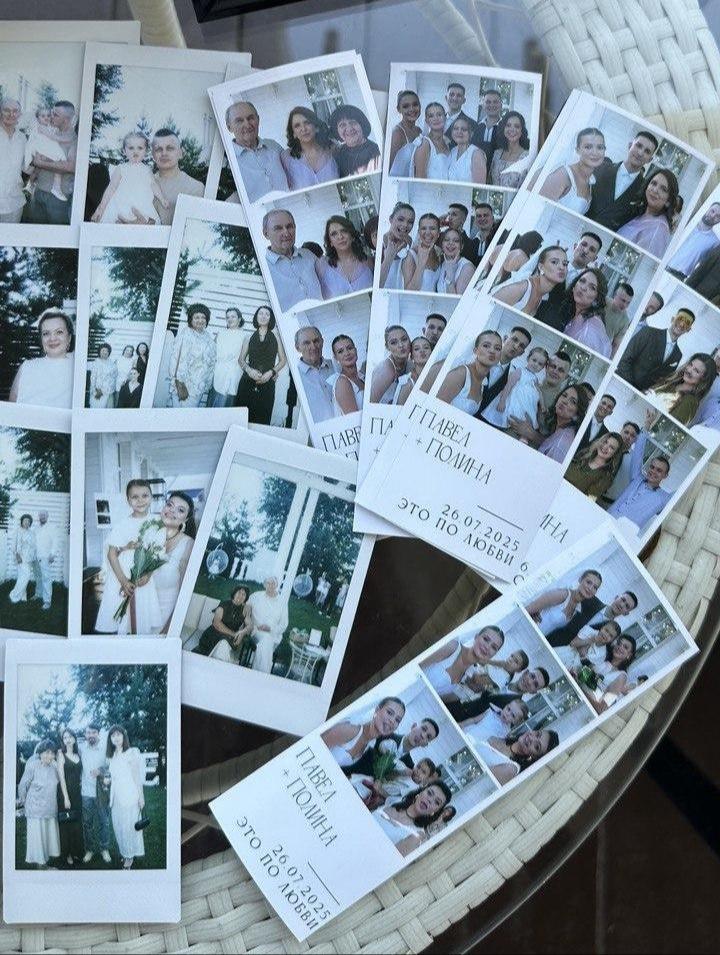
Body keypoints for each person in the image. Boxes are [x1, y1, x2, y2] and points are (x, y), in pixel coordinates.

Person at [93, 479, 161, 635]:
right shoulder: (122, 524)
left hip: (143, 575)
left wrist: (148, 574)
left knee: (140, 617)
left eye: (145, 495)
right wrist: (123, 581)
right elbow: (111, 554)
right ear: (128, 500)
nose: (140, 500)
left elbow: (157, 553)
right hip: (122, 574)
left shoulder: (157, 522)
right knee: (124, 617)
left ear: (151, 497)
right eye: (135, 497)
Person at [607, 412, 672, 533]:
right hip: (607, 518)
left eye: (659, 470)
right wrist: (647, 425)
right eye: (652, 467)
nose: (653, 471)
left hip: (625, 534)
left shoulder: (663, 498)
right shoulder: (637, 478)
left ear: (665, 475)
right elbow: (638, 453)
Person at [586, 130, 659, 231]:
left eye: (647, 151)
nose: (640, 153)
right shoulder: (600, 167)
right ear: (630, 145)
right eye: (638, 145)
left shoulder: (645, 191)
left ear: (649, 160)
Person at [91, 131, 169, 224]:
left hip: (142, 207)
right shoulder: (121, 168)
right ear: (124, 151)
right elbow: (111, 188)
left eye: (140, 148)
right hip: (121, 206)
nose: (135, 151)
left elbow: (153, 185)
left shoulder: (147, 170)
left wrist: (162, 199)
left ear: (145, 151)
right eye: (131, 148)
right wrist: (101, 207)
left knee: (143, 228)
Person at [8, 308, 75, 408]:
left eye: (59, 332)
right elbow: (11, 405)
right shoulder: (27, 366)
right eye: (46, 333)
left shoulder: (76, 368)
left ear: (69, 338)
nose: (52, 338)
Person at [616, 307, 694, 391]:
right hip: (621, 382)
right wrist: (631, 387)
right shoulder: (648, 332)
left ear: (688, 329)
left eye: (687, 323)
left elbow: (663, 381)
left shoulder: (678, 355)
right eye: (680, 319)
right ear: (672, 319)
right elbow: (625, 358)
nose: (682, 324)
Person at [225, 101, 287, 202]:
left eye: (250, 118)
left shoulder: (273, 146)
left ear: (258, 119)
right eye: (239, 121)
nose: (247, 124)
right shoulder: (228, 161)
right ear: (229, 127)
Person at [322, 696, 407, 769]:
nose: (392, 721)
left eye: (397, 720)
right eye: (389, 713)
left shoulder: (370, 744)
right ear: (377, 710)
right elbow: (316, 744)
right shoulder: (350, 730)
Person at [27, 100, 77, 225]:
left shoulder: (74, 140)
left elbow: (70, 167)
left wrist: (40, 163)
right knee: (36, 231)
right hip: (39, 191)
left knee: (56, 234)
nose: (51, 116)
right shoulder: (49, 132)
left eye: (55, 114)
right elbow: (35, 154)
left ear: (66, 119)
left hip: (57, 199)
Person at [153, 491, 196, 633]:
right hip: (140, 608)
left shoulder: (188, 545)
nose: (172, 510)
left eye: (180, 510)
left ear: (186, 519)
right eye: (169, 505)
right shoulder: (150, 534)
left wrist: (169, 627)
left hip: (163, 616)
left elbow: (184, 592)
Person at [235, 305, 286, 424]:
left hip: (267, 384)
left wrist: (271, 373)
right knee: (241, 420)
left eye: (267, 314)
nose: (263, 316)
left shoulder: (276, 337)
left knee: (262, 420)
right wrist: (249, 371)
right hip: (247, 382)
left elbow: (283, 360)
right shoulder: (248, 337)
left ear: (270, 318)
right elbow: (241, 360)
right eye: (260, 313)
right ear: (256, 317)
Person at [263, 208, 322, 310]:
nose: (286, 233)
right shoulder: (264, 269)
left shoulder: (309, 255)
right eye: (278, 228)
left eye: (289, 226)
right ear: (266, 234)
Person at [421, 626, 505, 696]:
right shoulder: (452, 647)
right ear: (476, 637)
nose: (487, 647)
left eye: (494, 647)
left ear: (494, 654)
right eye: (486, 639)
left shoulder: (467, 674)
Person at [539, 127, 606, 214]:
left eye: (600, 147)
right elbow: (537, 207)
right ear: (577, 150)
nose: (594, 152)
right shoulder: (563, 175)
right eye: (588, 147)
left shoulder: (591, 182)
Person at [373, 782, 452, 856]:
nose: (430, 800)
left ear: (435, 812)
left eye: (437, 802)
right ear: (420, 792)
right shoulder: (395, 802)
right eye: (429, 793)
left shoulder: (416, 835)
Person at [16, 739, 61, 867]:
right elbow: (23, 785)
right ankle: (41, 866)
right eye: (46, 752)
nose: (49, 756)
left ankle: (45, 863)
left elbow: (61, 781)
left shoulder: (54, 766)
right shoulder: (33, 765)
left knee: (47, 838)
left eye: (52, 753)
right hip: (35, 809)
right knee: (38, 840)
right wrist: (23, 801)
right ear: (40, 753)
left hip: (50, 808)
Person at [437, 330, 503, 415]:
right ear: (475, 350)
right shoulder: (460, 374)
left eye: (497, 348)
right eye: (486, 346)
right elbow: (435, 408)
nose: (492, 351)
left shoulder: (484, 383)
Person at [482, 346, 548, 431]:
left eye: (540, 364)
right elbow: (508, 386)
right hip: (512, 401)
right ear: (528, 358)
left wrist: (542, 405)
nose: (536, 364)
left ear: (542, 368)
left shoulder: (535, 379)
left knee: (523, 419)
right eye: (534, 360)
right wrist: (502, 401)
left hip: (524, 404)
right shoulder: (519, 371)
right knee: (503, 419)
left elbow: (539, 392)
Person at [106, 726, 145, 868]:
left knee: (129, 827)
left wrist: (141, 797)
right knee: (119, 827)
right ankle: (125, 852)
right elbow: (114, 775)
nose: (116, 738)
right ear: (110, 739)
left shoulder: (131, 753)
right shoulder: (111, 756)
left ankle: (129, 857)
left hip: (130, 795)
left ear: (123, 736)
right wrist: (109, 780)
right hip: (116, 797)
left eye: (118, 735)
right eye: (113, 736)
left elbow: (137, 776)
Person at [617, 168, 679, 257]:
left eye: (663, 189)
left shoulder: (659, 229)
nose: (655, 190)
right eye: (653, 183)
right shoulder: (640, 214)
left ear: (668, 201)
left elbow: (642, 263)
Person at [526, 568, 603, 637]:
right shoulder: (563, 595)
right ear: (580, 580)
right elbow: (527, 609)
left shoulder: (577, 609)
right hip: (526, 631)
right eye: (588, 582)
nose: (590, 588)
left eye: (595, 587)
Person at [493, 245, 569, 315]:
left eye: (565, 264)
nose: (562, 267)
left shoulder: (544, 296)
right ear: (541, 267)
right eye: (554, 262)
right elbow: (489, 305)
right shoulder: (522, 288)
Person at [476, 325, 532, 417]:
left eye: (521, 346)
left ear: (521, 353)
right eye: (514, 340)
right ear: (505, 339)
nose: (516, 346)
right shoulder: (480, 358)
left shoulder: (514, 377)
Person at [168, 303, 216, 407]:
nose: (200, 320)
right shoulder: (185, 335)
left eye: (203, 317)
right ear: (191, 319)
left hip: (198, 387)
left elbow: (211, 363)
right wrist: (179, 382)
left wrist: (207, 383)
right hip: (183, 385)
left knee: (190, 415)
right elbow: (176, 360)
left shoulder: (208, 339)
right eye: (197, 317)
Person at [573, 635, 637, 712]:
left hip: (584, 709)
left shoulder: (621, 676)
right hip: (573, 696)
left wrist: (580, 689)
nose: (620, 647)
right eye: (619, 643)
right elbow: (580, 676)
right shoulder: (601, 660)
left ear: (629, 655)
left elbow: (602, 708)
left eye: (625, 647)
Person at [649, 353, 717, 425]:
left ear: (704, 379)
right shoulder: (673, 381)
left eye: (696, 371)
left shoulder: (690, 401)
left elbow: (668, 426)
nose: (689, 370)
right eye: (690, 365)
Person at [316, 215, 373, 297]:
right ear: (330, 242)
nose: (340, 237)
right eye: (334, 234)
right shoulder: (321, 266)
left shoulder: (369, 262)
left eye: (344, 231)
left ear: (352, 235)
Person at [281, 106, 338, 188]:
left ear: (316, 126)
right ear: (293, 133)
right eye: (297, 126)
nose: (303, 129)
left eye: (307, 123)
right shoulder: (286, 158)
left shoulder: (333, 149)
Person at [78, 724, 111, 864]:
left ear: (98, 733)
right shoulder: (81, 748)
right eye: (88, 732)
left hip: (101, 792)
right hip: (86, 792)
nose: (91, 735)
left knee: (104, 822)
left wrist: (101, 770)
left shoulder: (105, 748)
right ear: (85, 735)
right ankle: (89, 850)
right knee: (87, 823)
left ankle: (104, 849)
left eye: (93, 732)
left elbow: (111, 766)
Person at [477, 729, 559, 785]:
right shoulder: (502, 737)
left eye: (537, 746)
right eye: (537, 734)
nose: (532, 739)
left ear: (534, 757)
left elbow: (479, 784)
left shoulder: (510, 768)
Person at [561, 269, 612, 357]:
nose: (583, 288)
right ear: (574, 286)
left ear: (597, 299)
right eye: (582, 281)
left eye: (592, 288)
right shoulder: (574, 313)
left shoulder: (590, 328)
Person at [23, 106, 68, 205]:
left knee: (37, 170)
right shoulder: (40, 127)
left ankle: (29, 185)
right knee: (59, 161)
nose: (46, 118)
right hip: (41, 148)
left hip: (43, 148)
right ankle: (56, 187)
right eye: (43, 116)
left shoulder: (48, 127)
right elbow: (51, 137)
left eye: (48, 116)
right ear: (38, 118)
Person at [195, 585, 252, 659]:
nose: (240, 596)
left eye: (243, 594)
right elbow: (216, 624)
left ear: (246, 598)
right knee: (222, 647)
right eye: (239, 592)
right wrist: (234, 634)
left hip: (228, 638)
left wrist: (242, 632)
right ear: (234, 593)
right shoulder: (224, 604)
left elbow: (250, 625)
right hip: (214, 634)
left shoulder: (246, 609)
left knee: (224, 646)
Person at [247, 576, 289, 674]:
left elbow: (284, 624)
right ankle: (263, 674)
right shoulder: (256, 596)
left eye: (273, 583)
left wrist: (270, 629)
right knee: (266, 642)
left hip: (273, 634)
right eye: (268, 583)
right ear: (264, 585)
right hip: (255, 631)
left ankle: (256, 673)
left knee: (266, 641)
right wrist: (250, 624)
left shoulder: (282, 602)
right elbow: (246, 610)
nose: (270, 586)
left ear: (277, 585)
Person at [668, 201, 720, 278]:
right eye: (712, 211)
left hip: (679, 276)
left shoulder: (715, 242)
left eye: (718, 216)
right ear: (708, 208)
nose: (713, 216)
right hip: (662, 263)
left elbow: (704, 265)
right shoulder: (687, 223)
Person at [293, 325, 334, 421]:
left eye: (316, 341)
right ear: (298, 348)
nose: (313, 347)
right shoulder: (294, 377)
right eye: (306, 343)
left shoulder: (336, 367)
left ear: (322, 342)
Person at [566, 432, 625, 498]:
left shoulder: (606, 478)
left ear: (615, 454)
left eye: (611, 447)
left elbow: (588, 499)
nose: (605, 447)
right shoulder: (583, 454)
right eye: (605, 442)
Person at [56, 728, 84, 866]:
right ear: (63, 740)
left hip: (77, 794)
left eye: (70, 737)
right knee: (66, 824)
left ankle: (76, 852)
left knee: (76, 824)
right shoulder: (61, 754)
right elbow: (61, 778)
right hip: (65, 793)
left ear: (74, 738)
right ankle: (67, 854)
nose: (67, 739)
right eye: (65, 737)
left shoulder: (78, 754)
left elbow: (80, 774)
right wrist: (66, 798)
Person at [329, 103, 380, 176]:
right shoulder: (338, 154)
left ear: (362, 125)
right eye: (342, 125)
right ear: (337, 131)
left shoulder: (376, 152)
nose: (349, 128)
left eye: (353, 122)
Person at [554, 619, 622, 673]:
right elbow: (573, 643)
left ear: (612, 640)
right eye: (606, 630)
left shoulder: (602, 654)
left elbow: (582, 655)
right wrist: (592, 640)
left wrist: (587, 642)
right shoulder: (588, 629)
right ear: (602, 627)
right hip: (563, 654)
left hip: (574, 669)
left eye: (610, 636)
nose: (606, 635)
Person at [209, 307, 245, 407]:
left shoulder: (244, 336)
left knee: (227, 405)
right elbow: (211, 353)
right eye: (228, 317)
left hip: (234, 374)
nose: (230, 319)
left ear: (239, 319)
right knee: (213, 404)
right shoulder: (220, 334)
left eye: (233, 317)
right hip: (218, 373)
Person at [0, 97, 26, 222]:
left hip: (15, 202)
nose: (11, 114)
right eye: (6, 110)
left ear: (20, 114)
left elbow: (26, 167)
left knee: (10, 235)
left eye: (15, 111)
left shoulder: (23, 138)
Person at [602, 421, 641, 505]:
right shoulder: (606, 448)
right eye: (626, 432)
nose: (628, 437)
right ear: (621, 431)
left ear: (635, 440)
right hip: (593, 493)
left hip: (610, 504)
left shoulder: (634, 461)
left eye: (632, 436)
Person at [371, 324, 412, 404]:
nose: (401, 345)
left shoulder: (409, 363)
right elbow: (370, 404)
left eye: (404, 339)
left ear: (410, 340)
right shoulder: (386, 371)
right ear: (387, 347)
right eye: (394, 343)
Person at [460, 698, 529, 745]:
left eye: (513, 715)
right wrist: (461, 724)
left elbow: (495, 744)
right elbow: (474, 720)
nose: (508, 714)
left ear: (515, 722)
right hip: (467, 732)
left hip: (477, 744)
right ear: (506, 705)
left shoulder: (506, 732)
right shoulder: (491, 712)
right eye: (508, 709)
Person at [489, 111, 530, 188]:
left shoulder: (526, 157)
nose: (512, 129)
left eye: (517, 126)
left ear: (522, 131)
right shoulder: (496, 154)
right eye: (508, 125)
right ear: (503, 129)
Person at [379, 202, 415, 289]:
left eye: (410, 222)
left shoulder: (409, 242)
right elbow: (377, 285)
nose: (405, 225)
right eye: (401, 219)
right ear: (391, 219)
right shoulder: (380, 243)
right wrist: (388, 258)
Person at [327, 334, 364, 415]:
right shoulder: (342, 382)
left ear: (356, 350)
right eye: (340, 351)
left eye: (350, 348)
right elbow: (354, 419)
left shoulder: (362, 377)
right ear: (336, 357)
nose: (347, 353)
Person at [411, 102, 450, 179]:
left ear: (445, 117)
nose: (436, 119)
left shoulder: (447, 142)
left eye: (439, 115)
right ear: (427, 121)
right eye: (431, 116)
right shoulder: (424, 144)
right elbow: (419, 179)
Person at [404, 212, 442, 291]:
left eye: (432, 228)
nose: (427, 232)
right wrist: (421, 264)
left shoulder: (439, 253)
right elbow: (409, 291)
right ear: (419, 232)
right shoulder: (411, 255)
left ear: (439, 232)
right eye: (424, 228)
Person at [388, 89, 422, 175]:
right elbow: (389, 169)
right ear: (399, 109)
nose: (412, 109)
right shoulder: (397, 133)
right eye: (406, 106)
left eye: (415, 104)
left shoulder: (419, 131)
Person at [393, 335, 433, 405]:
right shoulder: (407, 383)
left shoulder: (439, 376)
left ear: (432, 352)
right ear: (411, 356)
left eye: (426, 347)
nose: (422, 351)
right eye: (417, 349)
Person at [447, 115, 487, 183]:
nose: (459, 132)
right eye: (456, 128)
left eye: (464, 129)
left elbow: (479, 186)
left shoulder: (476, 154)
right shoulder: (452, 152)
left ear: (471, 133)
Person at [434, 228, 474, 294]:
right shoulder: (442, 263)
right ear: (442, 245)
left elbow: (455, 299)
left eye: (456, 241)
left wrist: (450, 276)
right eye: (447, 240)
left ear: (462, 246)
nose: (451, 243)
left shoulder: (467, 267)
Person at [34, 509, 60, 611]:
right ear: (39, 517)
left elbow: (55, 541)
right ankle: (38, 594)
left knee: (46, 578)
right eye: (41, 515)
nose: (42, 517)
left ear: (47, 516)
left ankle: (47, 601)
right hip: (36, 556)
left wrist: (53, 554)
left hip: (46, 556)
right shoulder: (36, 528)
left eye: (44, 515)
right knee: (38, 577)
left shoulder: (52, 527)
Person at [471, 88, 504, 163]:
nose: (492, 105)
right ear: (483, 105)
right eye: (488, 102)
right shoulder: (475, 127)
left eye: (495, 102)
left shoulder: (507, 129)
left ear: (501, 105)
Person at [9, 514, 36, 604]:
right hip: (21, 557)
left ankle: (23, 597)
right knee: (26, 576)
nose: (26, 522)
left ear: (30, 523)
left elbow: (33, 546)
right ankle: (14, 595)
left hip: (29, 558)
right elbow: (13, 545)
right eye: (25, 521)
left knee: (22, 577)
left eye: (28, 521)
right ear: (22, 521)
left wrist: (33, 557)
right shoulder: (18, 531)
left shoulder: (31, 532)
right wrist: (17, 556)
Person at [443, 202, 480, 266]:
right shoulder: (441, 237)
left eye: (454, 214)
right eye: (449, 214)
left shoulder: (471, 245)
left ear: (463, 219)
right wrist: (438, 223)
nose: (449, 218)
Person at [603, 283, 634, 356]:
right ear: (615, 295)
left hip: (602, 349)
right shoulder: (603, 302)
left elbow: (616, 345)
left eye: (628, 303)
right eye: (623, 300)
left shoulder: (625, 321)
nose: (625, 305)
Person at [89, 343, 117, 408]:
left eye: (107, 351)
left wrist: (109, 389)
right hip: (98, 392)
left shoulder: (112, 364)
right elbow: (93, 378)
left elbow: (114, 377)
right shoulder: (96, 363)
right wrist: (96, 390)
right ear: (99, 352)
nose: (105, 352)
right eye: (103, 350)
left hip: (109, 391)